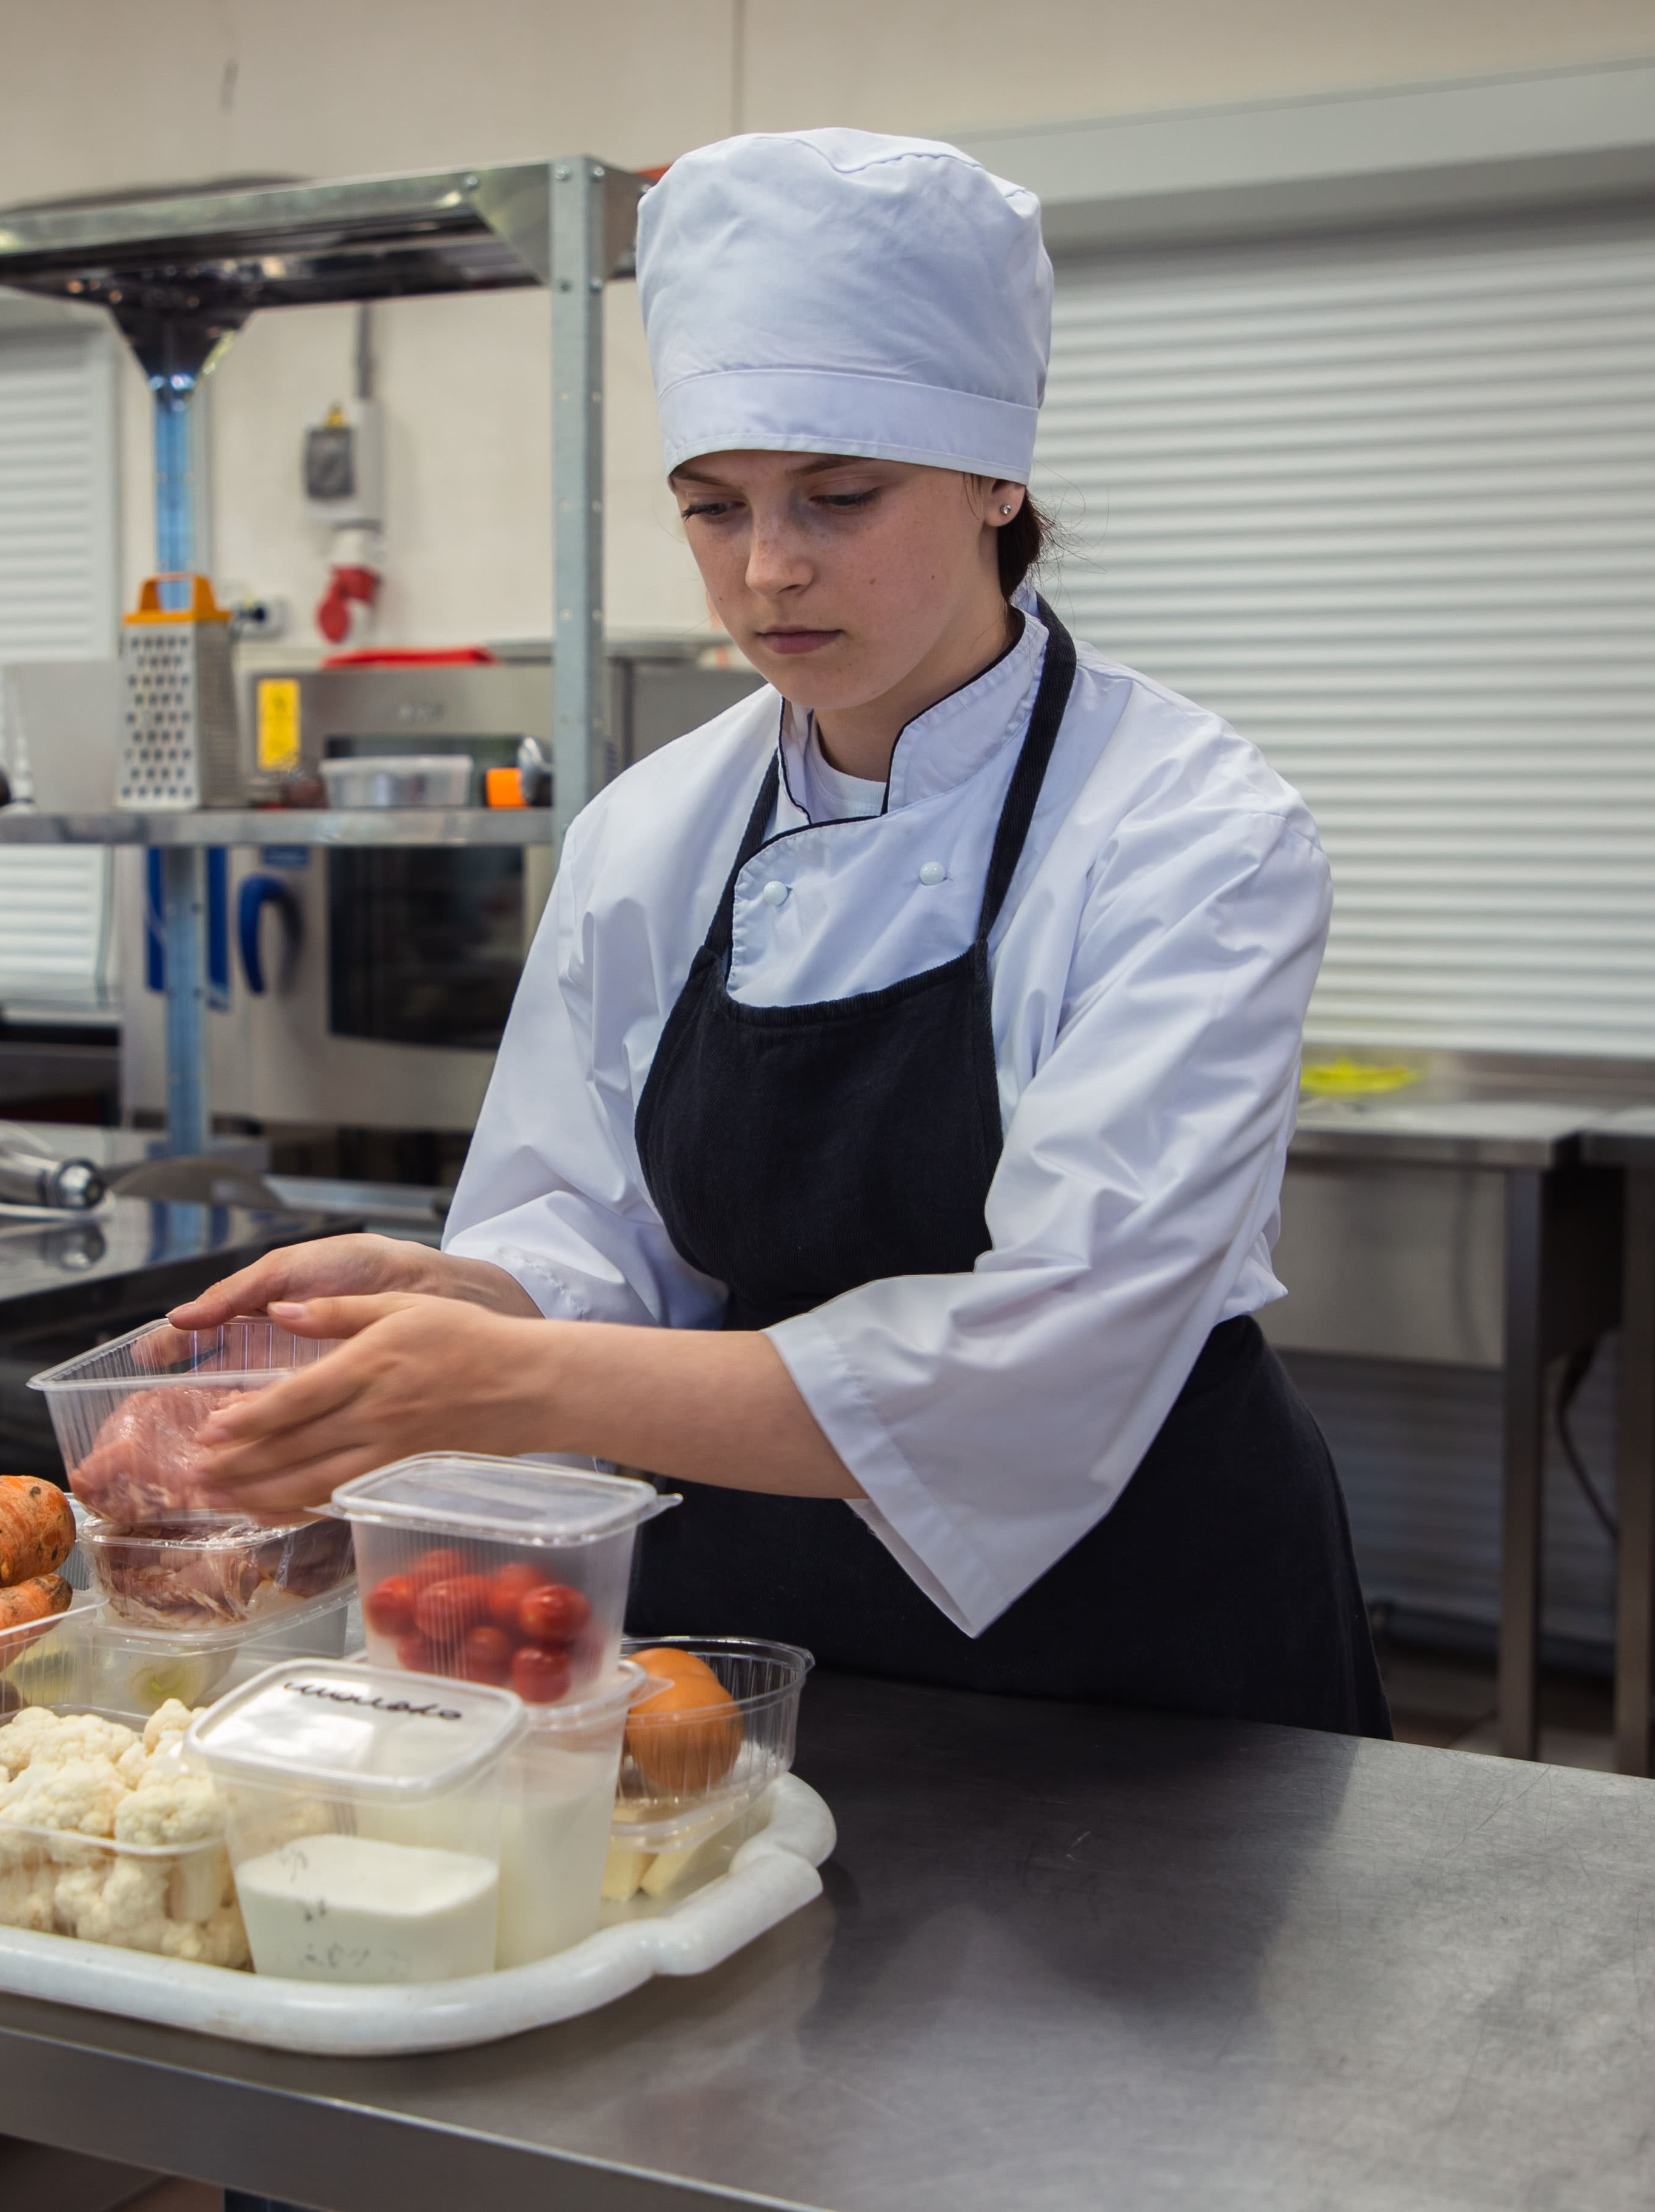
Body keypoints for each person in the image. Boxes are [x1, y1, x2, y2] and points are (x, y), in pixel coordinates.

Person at [170, 128, 1386, 1735]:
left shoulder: (1185, 832)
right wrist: (468, 1302)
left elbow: (1052, 1356)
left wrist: (527, 1380)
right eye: (712, 507)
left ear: (996, 478)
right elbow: (593, 1237)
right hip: (735, 1647)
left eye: (839, 495)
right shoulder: (651, 830)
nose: (769, 571)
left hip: (1143, 1651)